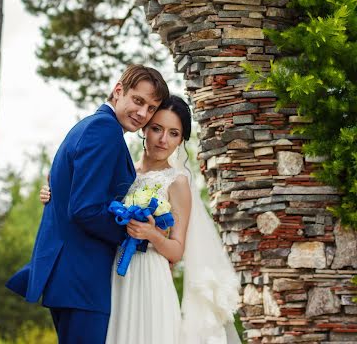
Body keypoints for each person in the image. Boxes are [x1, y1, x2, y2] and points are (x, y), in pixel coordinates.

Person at [40, 95, 241, 344]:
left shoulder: (177, 182)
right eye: (156, 128)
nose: (163, 139)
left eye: (174, 133)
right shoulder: (123, 170)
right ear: (144, 128)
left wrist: (152, 235)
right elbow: (87, 199)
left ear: (181, 140)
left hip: (150, 277)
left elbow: (177, 250)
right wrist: (52, 192)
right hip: (111, 272)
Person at [6, 64, 169, 344]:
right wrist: (135, 236)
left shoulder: (92, 126)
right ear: (118, 91)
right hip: (82, 279)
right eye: (138, 101)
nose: (143, 113)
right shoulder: (104, 130)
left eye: (151, 108)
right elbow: (85, 209)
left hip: (73, 278)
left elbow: (72, 193)